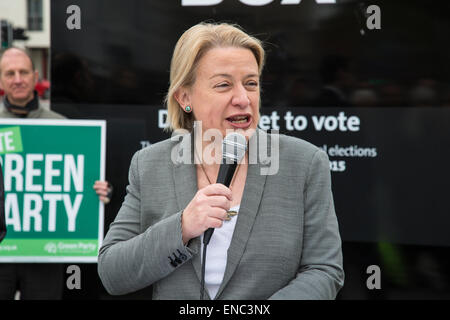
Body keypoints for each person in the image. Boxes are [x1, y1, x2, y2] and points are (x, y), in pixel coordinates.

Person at [98, 22, 344, 300]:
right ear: (185, 97)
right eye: (223, 84)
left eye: (251, 83)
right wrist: (183, 227)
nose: (243, 98)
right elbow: (112, 274)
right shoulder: (149, 165)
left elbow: (324, 271)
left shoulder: (304, 163)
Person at [0, 47, 112, 299]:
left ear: (35, 76)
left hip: (46, 251)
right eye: (10, 73)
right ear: (1, 80)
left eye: (23, 72)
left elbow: (82, 181)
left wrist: (99, 192)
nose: (17, 79)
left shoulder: (62, 126)